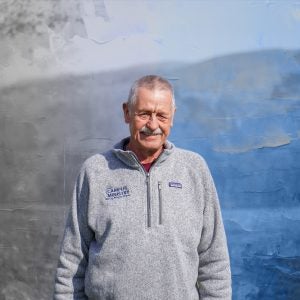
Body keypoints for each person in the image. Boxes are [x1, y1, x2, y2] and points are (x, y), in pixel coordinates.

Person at [54, 75, 231, 299]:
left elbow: (214, 263)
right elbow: (71, 263)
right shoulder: (95, 171)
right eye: (144, 114)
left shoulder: (194, 170)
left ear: (173, 116)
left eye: (161, 115)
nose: (153, 125)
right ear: (127, 112)